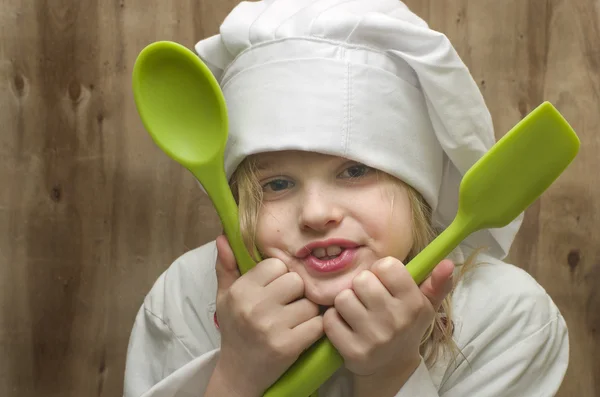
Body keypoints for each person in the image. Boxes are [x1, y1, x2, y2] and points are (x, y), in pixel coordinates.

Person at [123, 1, 569, 396]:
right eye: (277, 184)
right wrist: (236, 377)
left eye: (355, 171)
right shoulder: (184, 298)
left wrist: (390, 375)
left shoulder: (509, 317)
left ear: (418, 186)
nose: (316, 214)